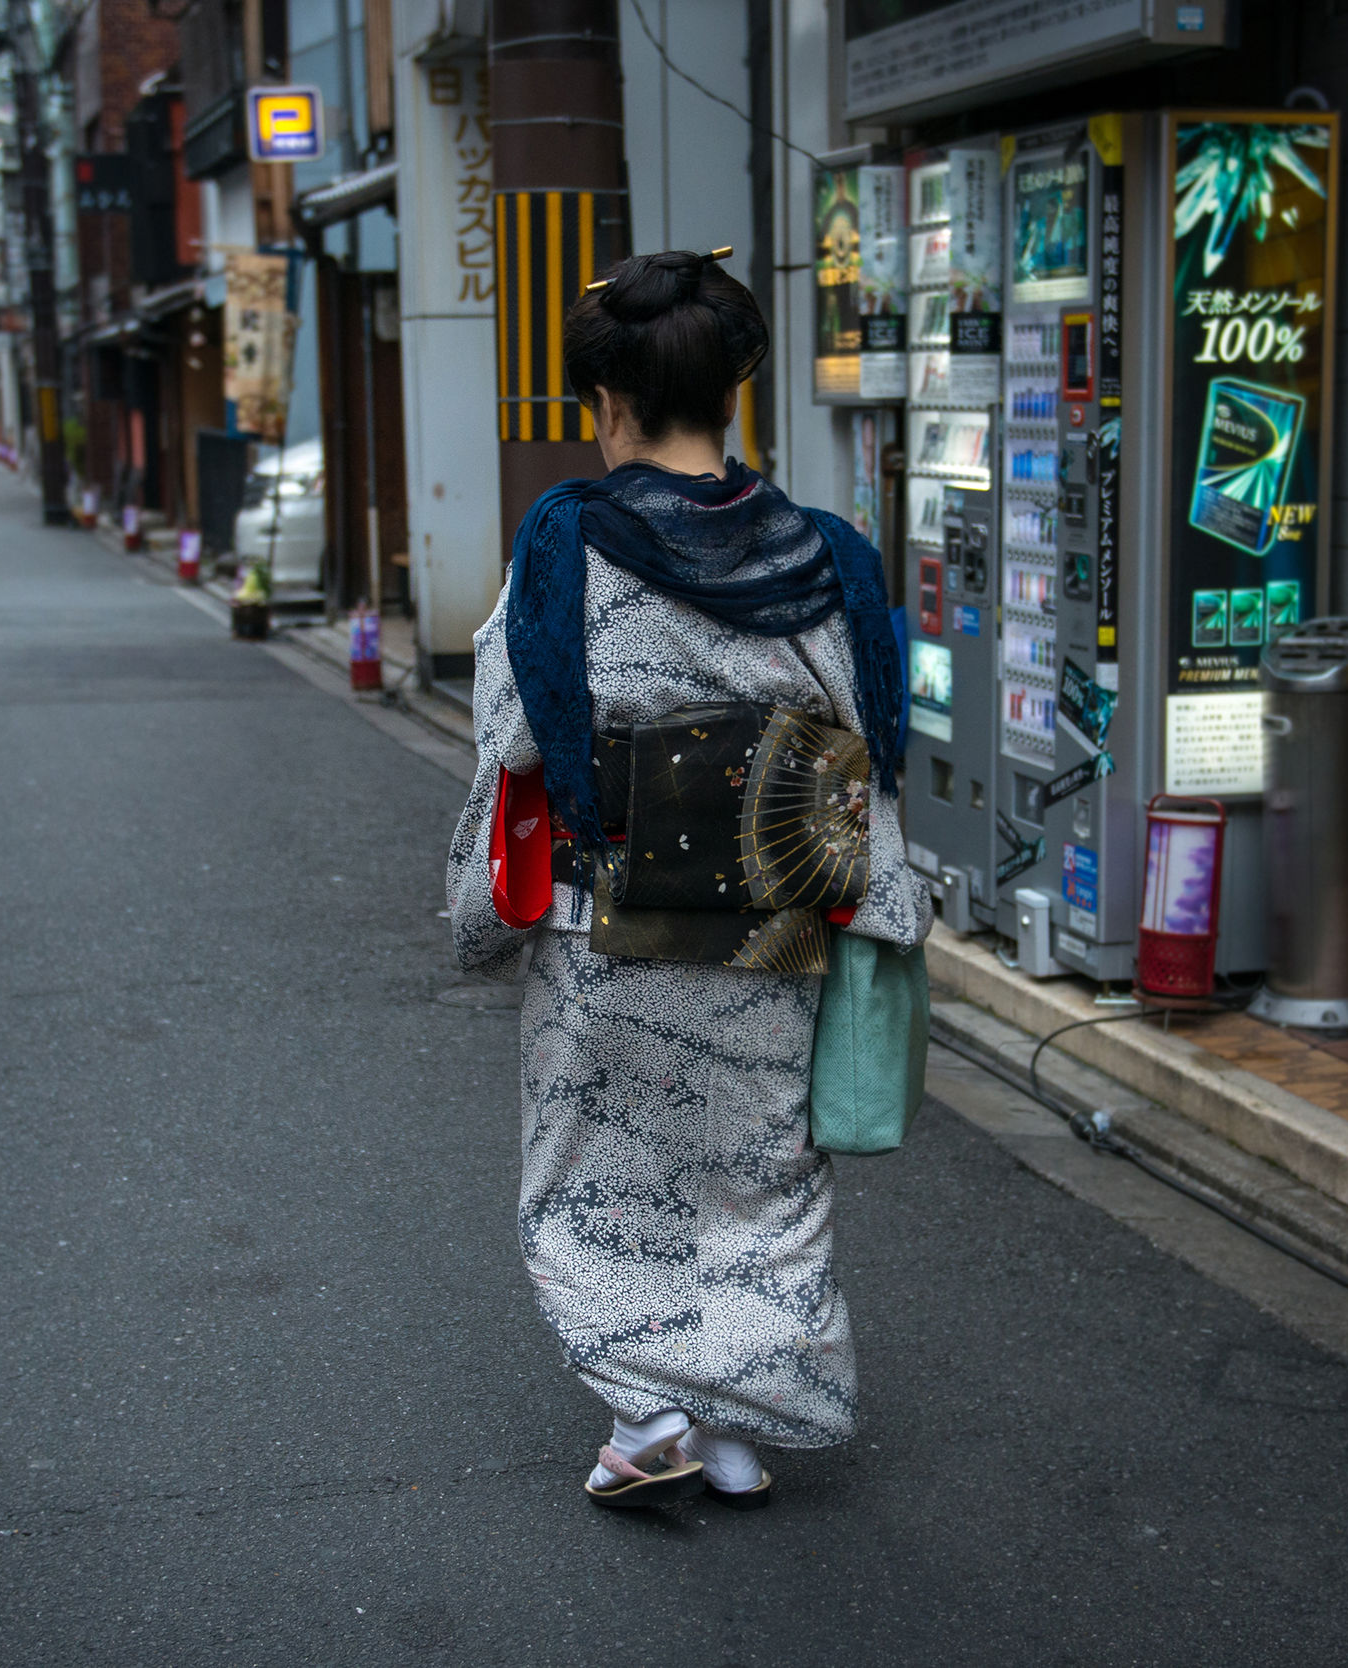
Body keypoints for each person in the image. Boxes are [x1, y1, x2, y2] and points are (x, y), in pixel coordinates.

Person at [443, 250, 929, 1512]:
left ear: (605, 400)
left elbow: (511, 725)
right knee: (756, 1170)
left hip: (613, 919)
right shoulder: (828, 554)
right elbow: (873, 738)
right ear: (734, 392)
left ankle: (649, 1413)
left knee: (597, 1174)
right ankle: (735, 1430)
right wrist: (883, 905)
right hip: (774, 922)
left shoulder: (570, 538)